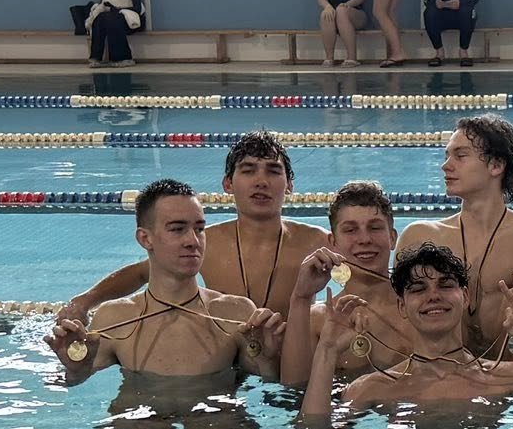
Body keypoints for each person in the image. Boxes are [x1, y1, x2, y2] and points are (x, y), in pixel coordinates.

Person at [53, 131, 328, 337]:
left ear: (289, 185)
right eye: (248, 170)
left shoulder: (317, 242)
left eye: (273, 171)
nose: (261, 181)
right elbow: (140, 273)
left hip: (294, 356)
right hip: (224, 353)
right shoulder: (204, 241)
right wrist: (83, 302)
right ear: (228, 184)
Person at [302, 244, 513, 419]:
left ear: (465, 297)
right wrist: (326, 353)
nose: (433, 296)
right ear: (402, 306)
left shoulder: (510, 376)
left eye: (445, 285)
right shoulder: (372, 387)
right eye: (419, 289)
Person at [50, 178, 284, 383]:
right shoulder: (115, 318)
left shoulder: (236, 313)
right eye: (177, 229)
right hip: (139, 422)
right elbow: (75, 382)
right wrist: (76, 370)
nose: (193, 241)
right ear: (145, 238)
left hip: (216, 421)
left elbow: (270, 382)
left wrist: (269, 357)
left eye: (199, 229)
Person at [396, 114, 513, 347]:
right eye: (447, 155)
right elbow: (396, 315)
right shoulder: (419, 237)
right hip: (441, 372)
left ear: (496, 165)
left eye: (460, 156)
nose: (445, 165)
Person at [279, 181, 416, 386]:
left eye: (375, 227)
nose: (364, 239)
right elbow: (294, 390)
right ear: (333, 242)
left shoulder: (420, 308)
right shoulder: (318, 319)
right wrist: (301, 297)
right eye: (351, 230)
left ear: (392, 238)